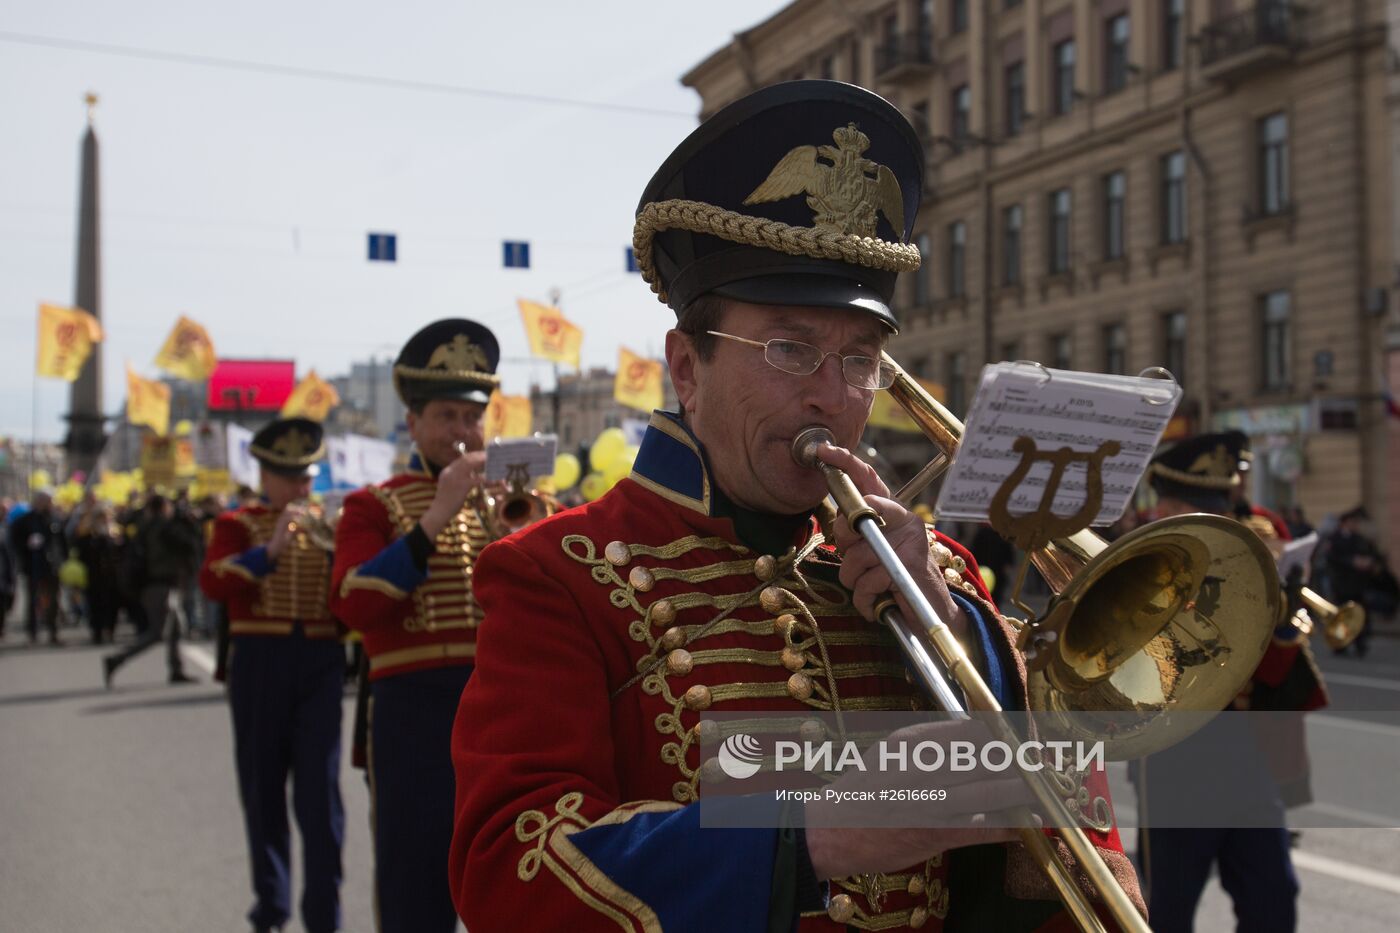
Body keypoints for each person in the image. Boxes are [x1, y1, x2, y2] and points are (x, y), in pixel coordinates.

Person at [448, 81, 1141, 932]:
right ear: (688, 366)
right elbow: (508, 873)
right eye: (788, 348)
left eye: (859, 359)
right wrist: (808, 831)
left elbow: (1069, 839)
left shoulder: (939, 575)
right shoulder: (555, 574)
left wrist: (961, 638)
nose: (832, 397)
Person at [329, 318, 502, 933]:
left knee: (511, 869)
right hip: (411, 712)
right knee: (414, 877)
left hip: (497, 704)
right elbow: (352, 600)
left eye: (471, 416)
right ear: (413, 425)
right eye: (447, 416)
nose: (461, 431)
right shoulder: (374, 505)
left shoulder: (511, 499)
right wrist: (433, 518)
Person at [1137, 430, 1326, 933]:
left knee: (1273, 898)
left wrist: (1282, 622)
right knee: (1167, 908)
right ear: (1165, 506)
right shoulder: (1142, 560)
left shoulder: (1247, 553)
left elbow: (1272, 675)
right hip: (1177, 751)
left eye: (1217, 506)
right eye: (1191, 507)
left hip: (1246, 750)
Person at [199, 417, 345, 933]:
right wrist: (272, 550)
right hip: (261, 660)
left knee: (319, 795)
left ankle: (325, 916)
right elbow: (214, 582)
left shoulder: (330, 526)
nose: (301, 488)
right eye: (290, 477)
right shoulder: (240, 525)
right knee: (263, 790)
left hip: (321, 662)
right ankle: (272, 908)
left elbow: (349, 600)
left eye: (306, 477)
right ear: (265, 476)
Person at [102, 492, 202, 685]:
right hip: (160, 585)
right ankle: (116, 660)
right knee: (159, 633)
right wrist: (189, 522)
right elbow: (189, 546)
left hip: (157, 585)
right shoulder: (163, 528)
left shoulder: (146, 527)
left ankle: (176, 670)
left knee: (176, 628)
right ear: (164, 508)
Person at [1327, 506, 1393, 657]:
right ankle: (1340, 644)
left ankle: (1360, 643)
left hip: (1358, 584)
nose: (1354, 525)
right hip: (1342, 584)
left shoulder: (1359, 539)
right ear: (1344, 523)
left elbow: (1372, 554)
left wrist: (1369, 562)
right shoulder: (1335, 539)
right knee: (1342, 615)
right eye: (1351, 522)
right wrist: (1352, 562)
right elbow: (1333, 559)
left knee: (1360, 614)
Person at [9, 490, 64, 645]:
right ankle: (32, 632)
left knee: (53, 599)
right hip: (32, 565)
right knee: (33, 600)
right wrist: (27, 545)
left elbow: (61, 542)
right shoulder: (25, 520)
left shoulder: (54, 519)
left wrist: (62, 560)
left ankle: (53, 631)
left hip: (51, 565)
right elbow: (15, 542)